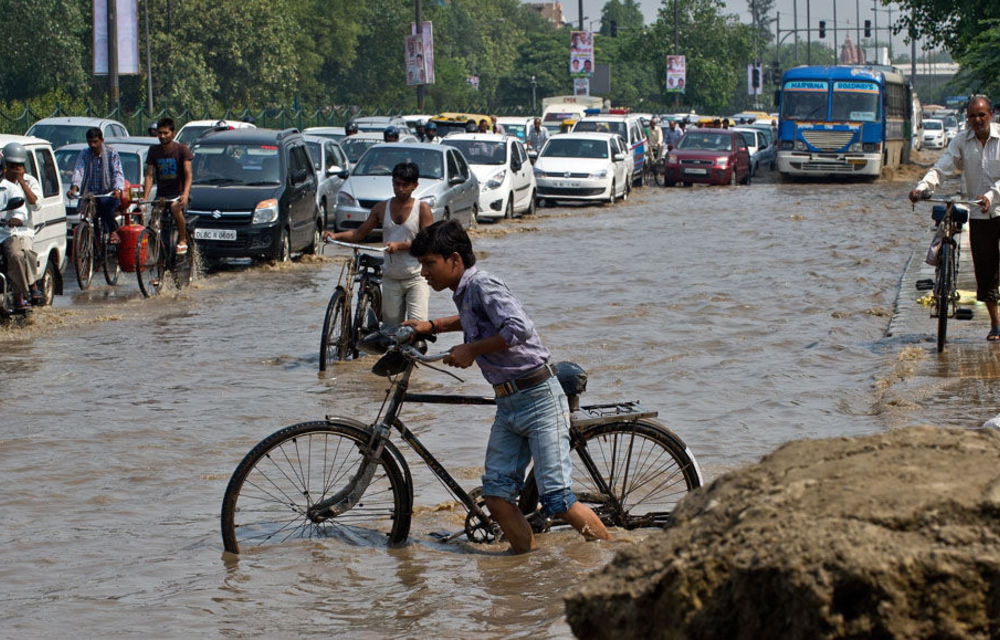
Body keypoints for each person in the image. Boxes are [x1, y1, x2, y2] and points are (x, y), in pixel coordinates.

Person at [405, 220, 613, 554]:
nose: (424, 273)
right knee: (497, 497)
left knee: (557, 499)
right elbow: (474, 318)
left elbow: (520, 328)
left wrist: (471, 350)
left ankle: (616, 557)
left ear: (454, 260)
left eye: (429, 263)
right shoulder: (464, 292)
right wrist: (431, 325)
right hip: (508, 404)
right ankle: (524, 570)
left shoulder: (483, 284)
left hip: (539, 398)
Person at [909, 95, 1000, 341]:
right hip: (980, 214)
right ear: (967, 119)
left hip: (997, 205)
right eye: (972, 116)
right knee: (986, 270)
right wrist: (922, 187)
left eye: (982, 115)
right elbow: (942, 167)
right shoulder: (961, 141)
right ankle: (995, 325)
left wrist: (992, 195)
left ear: (990, 114)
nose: (978, 120)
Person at [323, 162, 432, 325]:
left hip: (416, 277)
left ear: (414, 186)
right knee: (391, 331)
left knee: (417, 327)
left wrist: (400, 246)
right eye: (397, 184)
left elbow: (428, 242)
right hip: (390, 277)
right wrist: (335, 236)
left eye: (405, 185)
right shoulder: (381, 208)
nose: (400, 188)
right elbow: (358, 234)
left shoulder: (422, 209)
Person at [0, 142, 43, 311]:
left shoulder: (19, 186)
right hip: (8, 232)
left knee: (19, 254)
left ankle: (24, 292)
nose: (15, 169)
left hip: (16, 231)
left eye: (18, 165)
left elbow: (32, 207)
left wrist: (21, 182)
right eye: (12, 166)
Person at [143, 118, 194, 255]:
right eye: (160, 133)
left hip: (178, 195)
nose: (163, 136)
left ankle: (182, 239)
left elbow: (188, 174)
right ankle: (157, 255)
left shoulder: (182, 150)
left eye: (166, 133)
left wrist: (185, 193)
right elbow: (149, 175)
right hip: (162, 196)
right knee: (154, 220)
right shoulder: (154, 151)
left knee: (174, 207)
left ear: (172, 133)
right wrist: (145, 197)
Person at [67, 128, 125, 241]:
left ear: (102, 140)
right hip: (91, 193)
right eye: (90, 142)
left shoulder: (111, 153)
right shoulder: (85, 153)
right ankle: (91, 240)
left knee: (106, 208)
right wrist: (74, 188)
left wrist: (117, 189)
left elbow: (117, 172)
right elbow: (79, 170)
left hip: (108, 193)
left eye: (95, 142)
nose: (92, 145)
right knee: (88, 210)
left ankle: (113, 232)